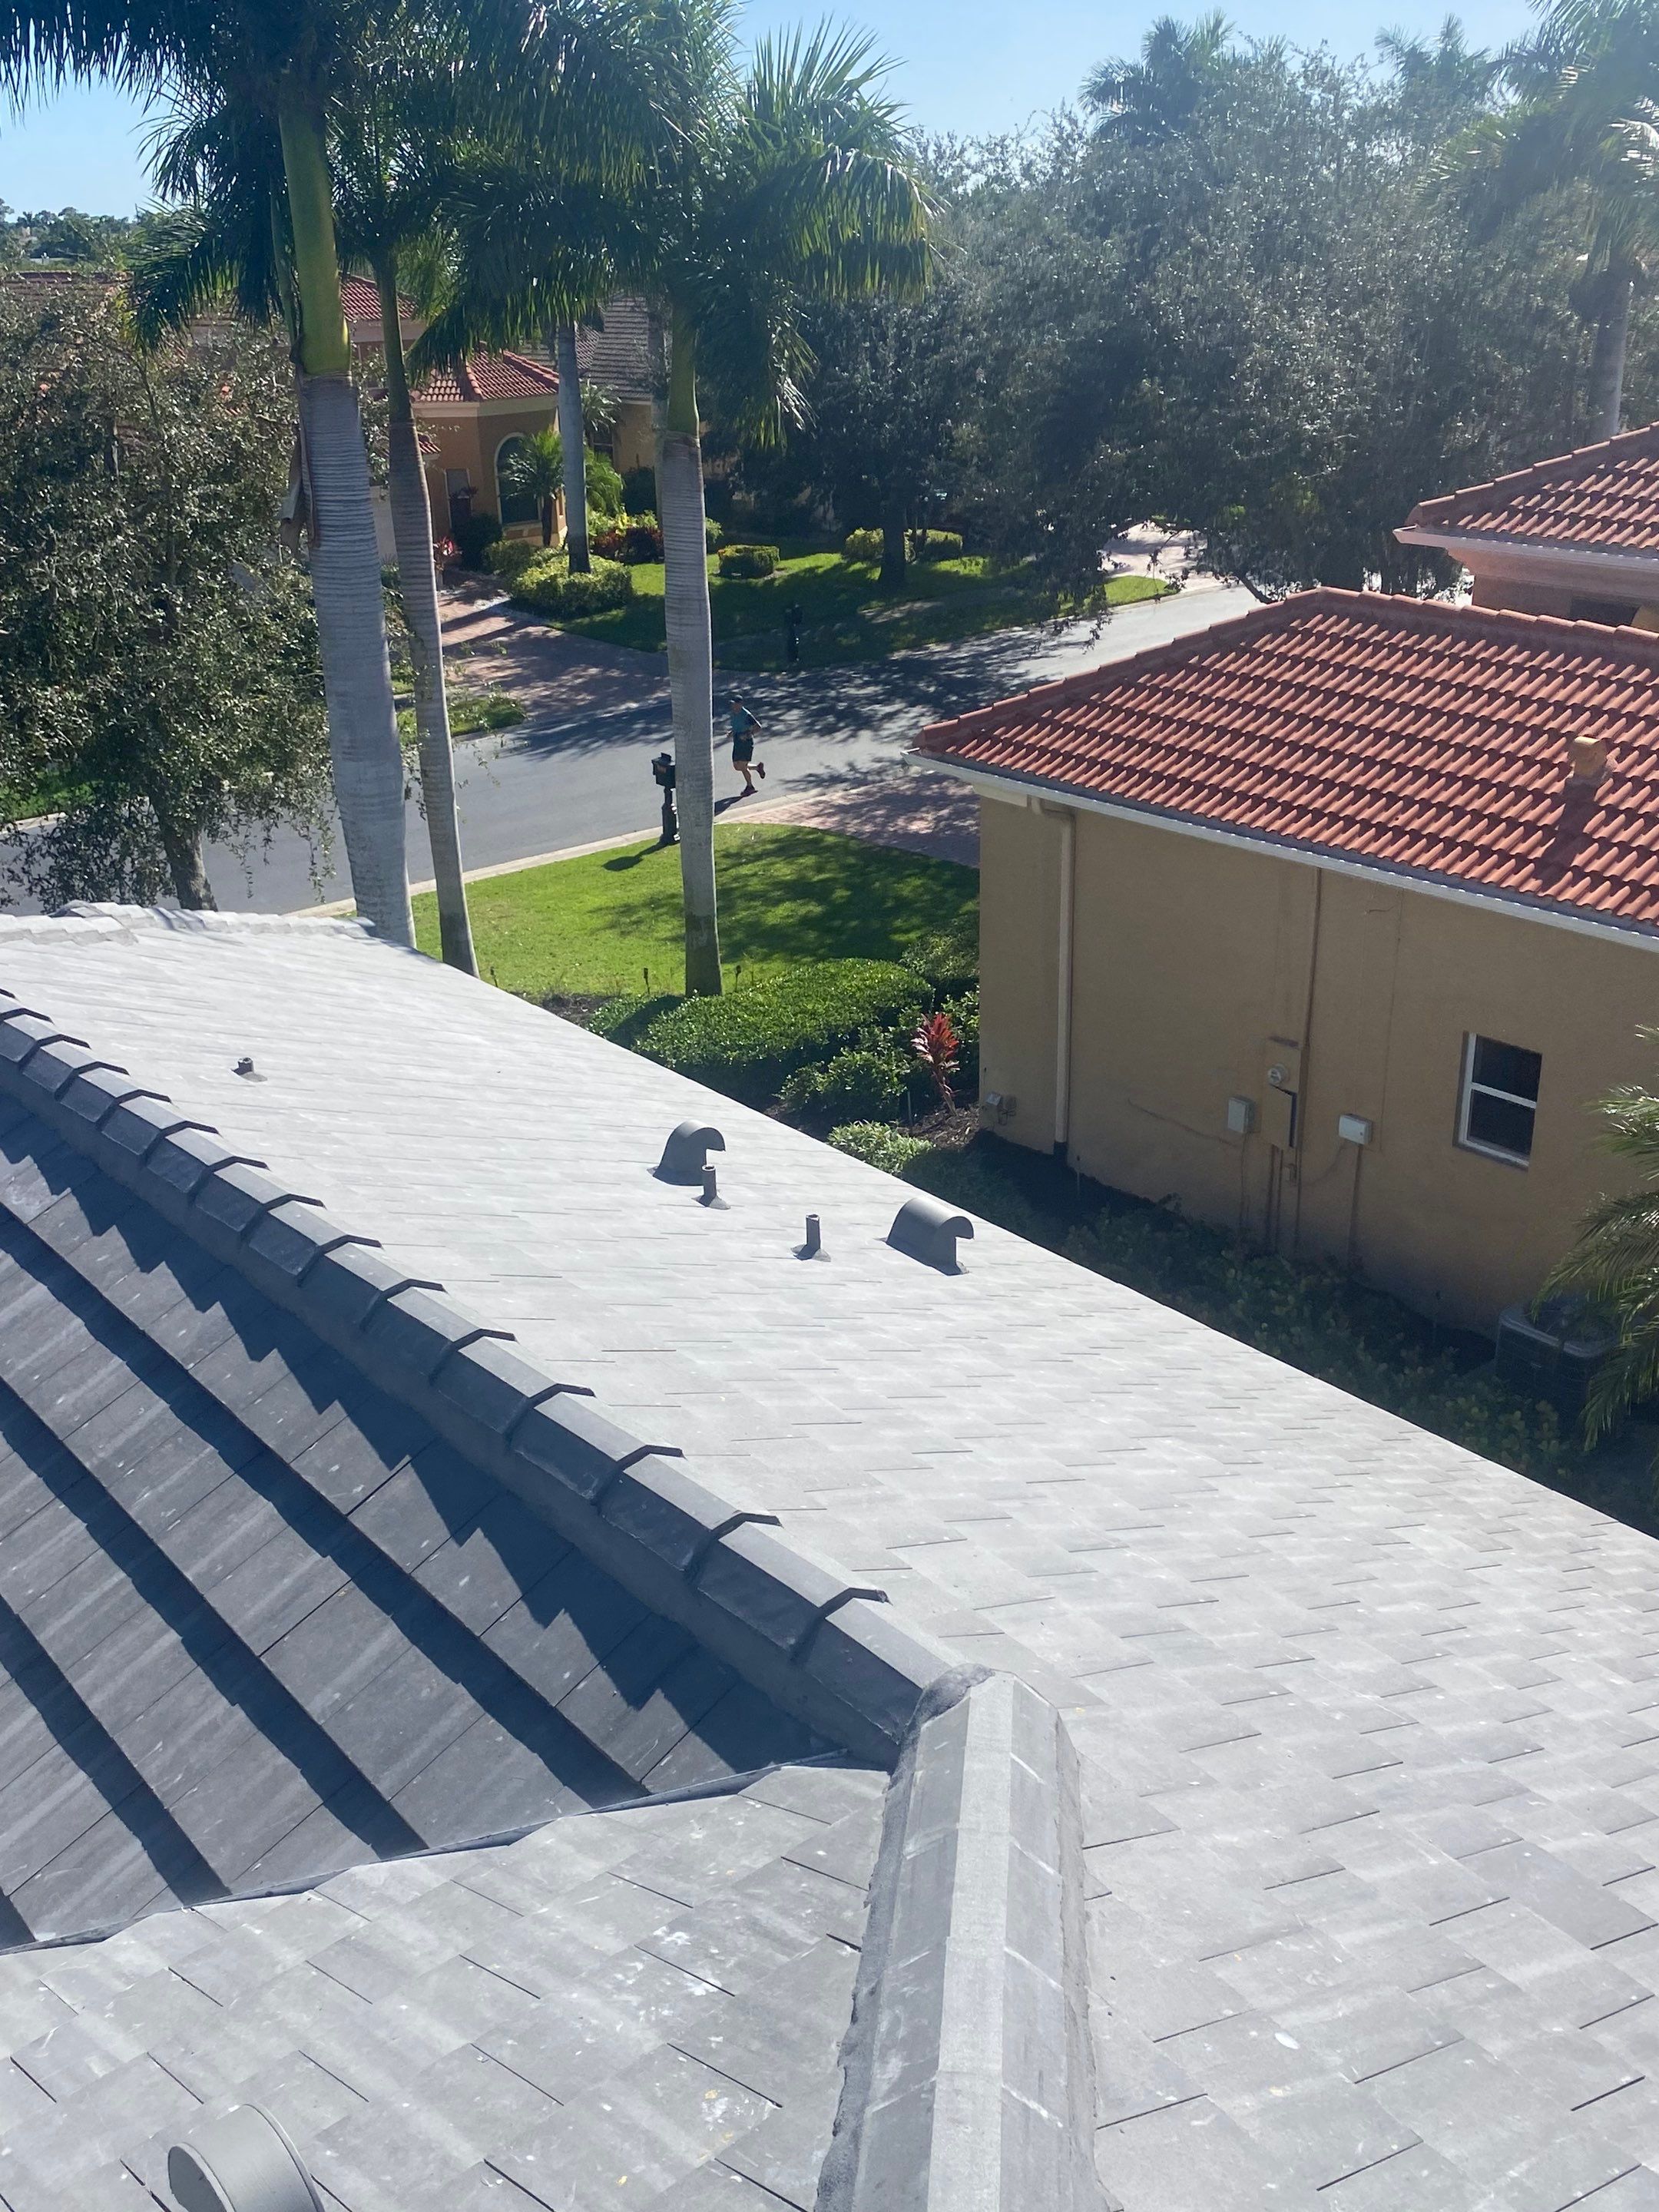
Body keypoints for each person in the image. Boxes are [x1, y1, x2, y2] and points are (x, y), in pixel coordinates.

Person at [727, 695, 766, 795]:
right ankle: (758, 768)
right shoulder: (734, 714)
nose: (733, 705)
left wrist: (747, 734)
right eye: (732, 703)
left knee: (743, 766)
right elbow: (737, 726)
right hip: (737, 741)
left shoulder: (746, 715)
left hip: (746, 743)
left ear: (740, 704)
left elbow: (758, 727)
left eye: (735, 704)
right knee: (737, 766)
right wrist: (732, 732)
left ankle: (750, 787)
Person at [652, 750, 678, 845]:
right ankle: (669, 835)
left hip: (667, 790)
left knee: (667, 806)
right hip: (668, 789)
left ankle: (669, 835)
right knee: (668, 808)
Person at [785, 602, 804, 666]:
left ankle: (796, 660)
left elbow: (799, 620)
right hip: (790, 631)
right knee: (791, 644)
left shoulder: (799, 611)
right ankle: (792, 660)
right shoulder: (788, 613)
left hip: (798, 630)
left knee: (797, 644)